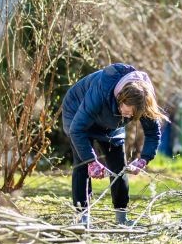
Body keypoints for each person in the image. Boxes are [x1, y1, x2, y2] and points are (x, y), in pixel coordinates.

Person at [61, 63, 167, 225]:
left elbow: (153, 133)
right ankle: (82, 218)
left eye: (133, 115)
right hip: (77, 111)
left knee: (119, 166)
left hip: (110, 121)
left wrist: (143, 160)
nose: (129, 116)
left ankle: (121, 218)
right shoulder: (101, 91)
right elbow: (77, 129)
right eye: (128, 111)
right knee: (82, 164)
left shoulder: (143, 100)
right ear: (121, 98)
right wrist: (91, 161)